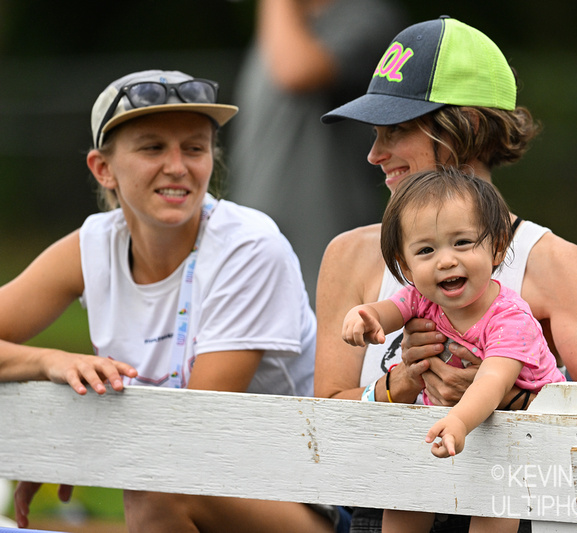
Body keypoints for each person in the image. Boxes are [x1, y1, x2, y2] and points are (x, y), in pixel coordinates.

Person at [316, 16, 577, 531]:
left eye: (395, 131)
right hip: (386, 507)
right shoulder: (348, 254)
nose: (374, 155)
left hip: (505, 509)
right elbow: (325, 421)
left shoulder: (552, 259)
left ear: (462, 130)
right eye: (375, 135)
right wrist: (402, 383)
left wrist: (508, 399)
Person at [0, 69, 345, 533]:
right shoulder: (94, 244)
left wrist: (66, 445)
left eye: (195, 148)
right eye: (152, 148)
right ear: (103, 169)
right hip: (194, 484)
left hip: (310, 502)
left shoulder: (249, 247)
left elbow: (192, 432)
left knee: (157, 487)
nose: (178, 166)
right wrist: (48, 362)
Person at [342, 168, 566, 533]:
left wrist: (459, 421)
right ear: (406, 266)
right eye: (426, 250)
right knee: (407, 497)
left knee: (495, 506)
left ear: (497, 247)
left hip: (518, 438)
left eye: (462, 243)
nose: (445, 260)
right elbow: (387, 311)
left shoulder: (510, 318)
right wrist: (365, 316)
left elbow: (492, 381)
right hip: (449, 427)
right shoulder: (421, 298)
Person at [227, 0, 405, 305]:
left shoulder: (366, 18)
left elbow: (296, 72)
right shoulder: (281, 31)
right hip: (260, 246)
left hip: (323, 246)